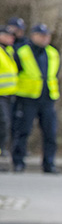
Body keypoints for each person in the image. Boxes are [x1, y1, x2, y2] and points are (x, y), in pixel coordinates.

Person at [11, 23, 60, 174]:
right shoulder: (22, 52)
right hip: (27, 98)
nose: (44, 39)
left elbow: (55, 74)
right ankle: (18, 162)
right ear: (33, 36)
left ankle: (49, 164)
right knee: (23, 131)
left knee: (50, 134)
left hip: (48, 98)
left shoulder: (52, 53)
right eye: (41, 35)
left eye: (47, 36)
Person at [0, 27, 18, 170]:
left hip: (8, 95)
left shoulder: (9, 52)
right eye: (8, 35)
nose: (11, 38)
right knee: (3, 123)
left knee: (5, 125)